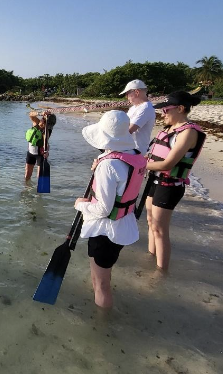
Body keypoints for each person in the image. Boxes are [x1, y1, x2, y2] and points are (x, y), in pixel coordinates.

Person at [74, 110, 146, 309]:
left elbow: (104, 209)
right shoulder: (134, 155)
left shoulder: (109, 165)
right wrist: (99, 167)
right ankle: (99, 306)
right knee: (102, 276)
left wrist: (81, 205)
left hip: (106, 229)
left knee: (102, 284)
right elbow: (122, 180)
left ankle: (102, 325)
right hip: (123, 223)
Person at [146, 91, 207, 271]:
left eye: (165, 110)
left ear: (180, 108)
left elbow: (168, 164)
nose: (162, 113)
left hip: (170, 185)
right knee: (151, 223)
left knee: (160, 229)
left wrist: (139, 164)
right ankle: (150, 260)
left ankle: (161, 273)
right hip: (155, 181)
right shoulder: (168, 129)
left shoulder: (188, 132)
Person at [119, 79, 156, 154]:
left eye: (127, 94)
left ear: (136, 92)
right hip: (128, 149)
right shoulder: (134, 108)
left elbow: (129, 130)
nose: (126, 97)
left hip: (136, 151)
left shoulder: (146, 108)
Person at [25, 111, 56, 180]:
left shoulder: (47, 131)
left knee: (39, 176)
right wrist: (40, 113)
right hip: (30, 153)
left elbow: (46, 143)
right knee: (27, 174)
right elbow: (30, 114)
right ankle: (27, 188)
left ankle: (37, 189)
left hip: (40, 155)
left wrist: (47, 152)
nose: (41, 120)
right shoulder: (36, 123)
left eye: (43, 119)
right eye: (42, 118)